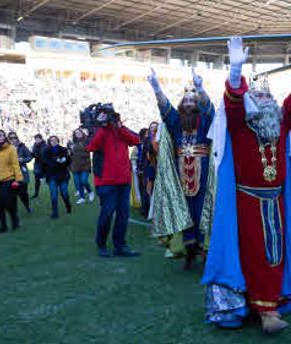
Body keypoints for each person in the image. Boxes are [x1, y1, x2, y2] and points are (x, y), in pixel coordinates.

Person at [201, 37, 291, 333]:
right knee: (253, 253)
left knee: (277, 252)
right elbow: (232, 101)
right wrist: (234, 69)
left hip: (277, 201)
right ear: (251, 104)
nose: (267, 101)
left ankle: (270, 304)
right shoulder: (240, 126)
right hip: (247, 203)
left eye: (270, 98)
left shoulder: (281, 124)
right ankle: (261, 310)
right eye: (260, 97)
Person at [147, 67, 215, 269]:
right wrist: (156, 87)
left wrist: (200, 88)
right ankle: (188, 252)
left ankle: (204, 251)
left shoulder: (204, 121)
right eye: (185, 101)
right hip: (180, 176)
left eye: (191, 101)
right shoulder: (176, 122)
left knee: (202, 211)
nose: (188, 104)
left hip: (203, 177)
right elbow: (165, 109)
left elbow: (210, 109)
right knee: (184, 212)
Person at [85, 103, 140, 258]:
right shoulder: (98, 130)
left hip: (123, 180)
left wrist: (120, 127)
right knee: (107, 213)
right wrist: (101, 126)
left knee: (123, 215)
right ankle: (101, 244)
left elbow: (136, 140)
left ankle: (120, 246)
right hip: (106, 181)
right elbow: (91, 146)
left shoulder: (121, 129)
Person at [42, 136, 72, 219]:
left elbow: (69, 160)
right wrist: (56, 160)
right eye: (52, 140)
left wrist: (65, 160)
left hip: (63, 175)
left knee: (64, 193)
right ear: (49, 142)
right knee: (54, 195)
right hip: (52, 176)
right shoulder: (46, 151)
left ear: (58, 141)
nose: (54, 142)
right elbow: (45, 163)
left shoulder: (64, 149)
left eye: (55, 140)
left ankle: (68, 206)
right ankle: (55, 212)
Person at [8, 132, 33, 213]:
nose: (13, 140)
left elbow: (30, 156)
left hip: (22, 173)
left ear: (17, 138)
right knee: (12, 192)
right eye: (11, 138)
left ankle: (28, 206)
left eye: (14, 138)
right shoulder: (5, 148)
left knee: (23, 192)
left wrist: (22, 160)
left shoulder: (22, 147)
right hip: (10, 174)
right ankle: (14, 211)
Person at [69, 128, 95, 204]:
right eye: (76, 133)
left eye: (79, 132)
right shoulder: (73, 143)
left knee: (83, 181)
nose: (78, 134)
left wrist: (76, 149)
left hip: (85, 165)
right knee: (78, 182)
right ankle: (82, 197)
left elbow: (87, 152)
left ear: (82, 133)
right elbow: (71, 154)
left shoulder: (86, 141)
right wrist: (70, 151)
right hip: (75, 165)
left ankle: (90, 192)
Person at [142, 122, 159, 218]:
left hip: (156, 167)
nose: (153, 129)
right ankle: (147, 210)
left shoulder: (159, 139)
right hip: (150, 167)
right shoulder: (148, 140)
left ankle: (153, 212)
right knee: (148, 189)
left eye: (155, 127)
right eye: (151, 127)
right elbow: (146, 155)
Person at [31, 134, 46, 199]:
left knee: (49, 179)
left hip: (44, 164)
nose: (36, 140)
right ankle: (36, 194)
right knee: (36, 179)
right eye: (35, 139)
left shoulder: (45, 145)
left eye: (38, 139)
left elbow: (44, 154)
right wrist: (32, 154)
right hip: (37, 163)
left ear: (41, 139)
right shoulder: (35, 145)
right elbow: (34, 154)